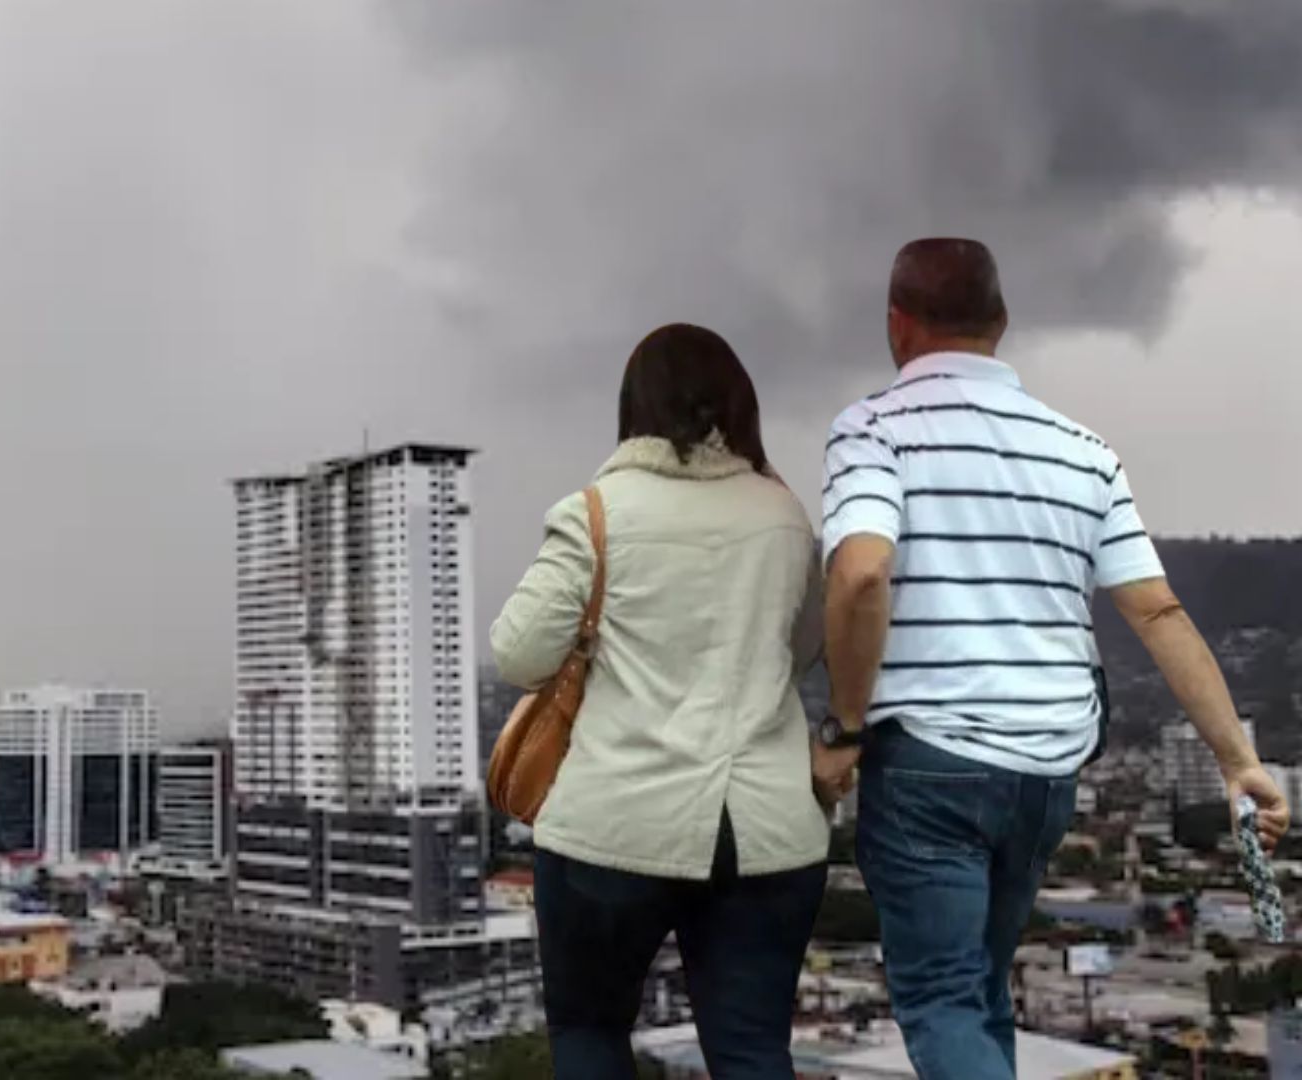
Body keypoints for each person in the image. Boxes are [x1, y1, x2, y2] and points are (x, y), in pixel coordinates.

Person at [813, 238, 1291, 1079]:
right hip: (1047, 772)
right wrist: (1239, 760)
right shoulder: (1082, 449)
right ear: (1001, 324)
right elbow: (1158, 609)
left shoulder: (873, 429)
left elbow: (859, 573)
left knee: (942, 999)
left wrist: (845, 727)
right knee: (984, 991)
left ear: (897, 325)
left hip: (930, 765)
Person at [493, 323, 829, 1080]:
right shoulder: (783, 516)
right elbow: (802, 648)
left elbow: (518, 653)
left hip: (613, 823)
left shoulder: (598, 512)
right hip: (765, 830)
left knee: (589, 1031)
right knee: (750, 1050)